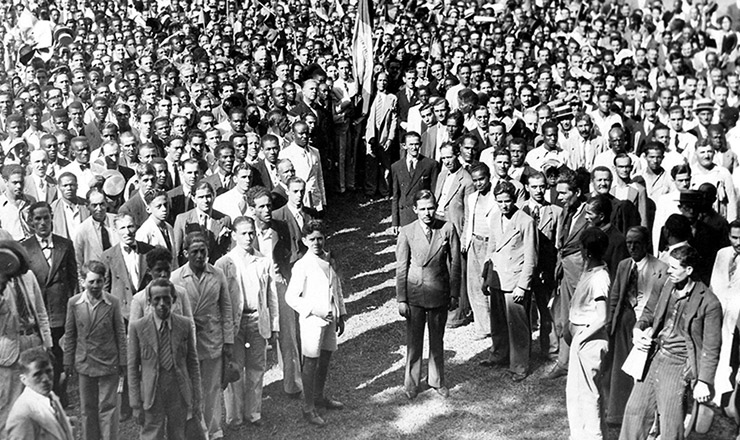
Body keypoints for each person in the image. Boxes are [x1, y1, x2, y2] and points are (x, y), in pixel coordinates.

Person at [620, 245, 721, 440]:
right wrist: (637, 329)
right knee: (634, 413)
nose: (668, 271)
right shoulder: (666, 284)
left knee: (670, 425)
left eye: (674, 268)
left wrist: (704, 381)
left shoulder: (709, 303)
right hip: (655, 356)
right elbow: (649, 312)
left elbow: (711, 346)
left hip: (679, 365)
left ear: (689, 270)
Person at [396, 190, 461, 399]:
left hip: (439, 293)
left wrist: (454, 293)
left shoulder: (447, 228)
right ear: (415, 210)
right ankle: (412, 383)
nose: (427, 213)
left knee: (437, 340)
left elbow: (456, 264)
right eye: (422, 209)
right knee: (414, 342)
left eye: (431, 207)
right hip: (415, 293)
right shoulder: (407, 232)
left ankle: (437, 380)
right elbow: (401, 268)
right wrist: (401, 298)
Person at [215, 216, 279, 427]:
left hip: (257, 319)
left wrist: (274, 325)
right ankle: (234, 416)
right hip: (234, 322)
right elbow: (220, 299)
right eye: (243, 233)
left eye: (251, 232)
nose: (248, 237)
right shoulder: (224, 263)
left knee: (256, 368)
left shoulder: (263, 260)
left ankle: (254, 414)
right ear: (234, 235)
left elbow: (271, 295)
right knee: (235, 369)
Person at [171, 231, 233, 440]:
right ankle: (195, 430)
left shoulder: (217, 274)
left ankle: (214, 430)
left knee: (212, 388)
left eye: (203, 251)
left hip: (213, 338)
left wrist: (228, 341)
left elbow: (226, 308)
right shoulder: (176, 277)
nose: (199, 256)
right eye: (194, 251)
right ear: (185, 252)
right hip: (188, 342)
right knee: (190, 389)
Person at [285, 219, 346, 426]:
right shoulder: (302, 265)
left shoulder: (329, 260)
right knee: (310, 361)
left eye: (320, 238)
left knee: (326, 357)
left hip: (330, 319)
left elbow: (335, 288)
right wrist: (315, 310)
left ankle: (319, 397)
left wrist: (341, 314)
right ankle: (308, 407)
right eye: (312, 239)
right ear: (304, 240)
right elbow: (291, 297)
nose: (317, 243)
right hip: (312, 320)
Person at [605, 226, 668, 425]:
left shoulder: (660, 267)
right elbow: (615, 295)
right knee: (620, 368)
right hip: (625, 321)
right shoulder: (625, 265)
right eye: (629, 243)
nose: (632, 247)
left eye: (636, 243)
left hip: (646, 323)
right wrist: (610, 323)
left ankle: (645, 415)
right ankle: (618, 413)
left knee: (643, 368)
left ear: (646, 244)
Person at [20, 202, 79, 407]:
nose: (43, 223)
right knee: (45, 353)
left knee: (60, 353)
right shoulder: (25, 248)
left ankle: (61, 395)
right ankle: (45, 396)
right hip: (39, 310)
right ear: (31, 222)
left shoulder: (64, 244)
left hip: (60, 308)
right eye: (37, 219)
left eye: (46, 217)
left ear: (52, 218)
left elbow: (73, 279)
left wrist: (74, 307)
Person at [128, 278, 202, 440]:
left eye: (166, 299)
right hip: (152, 392)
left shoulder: (184, 325)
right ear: (149, 302)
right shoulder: (138, 327)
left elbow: (193, 363)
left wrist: (196, 396)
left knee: (178, 433)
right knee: (152, 434)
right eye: (157, 299)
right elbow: (132, 367)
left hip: (178, 390)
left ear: (174, 300)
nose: (162, 303)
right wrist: (135, 404)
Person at [63, 260, 127, 440]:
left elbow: (120, 333)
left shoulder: (112, 302)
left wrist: (123, 360)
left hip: (108, 362)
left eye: (99, 281)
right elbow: (70, 334)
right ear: (83, 281)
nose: (96, 286)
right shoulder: (74, 303)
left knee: (108, 407)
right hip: (85, 363)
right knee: (87, 408)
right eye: (91, 281)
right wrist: (68, 360)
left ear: (104, 281)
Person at [480, 180, 537, 382]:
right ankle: (499, 355)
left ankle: (519, 365)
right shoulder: (495, 218)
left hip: (515, 280)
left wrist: (523, 285)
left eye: (507, 201)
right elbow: (492, 249)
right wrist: (487, 277)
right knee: (498, 321)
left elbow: (531, 257)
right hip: (498, 278)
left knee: (517, 326)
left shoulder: (525, 221)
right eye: (500, 201)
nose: (504, 205)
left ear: (514, 200)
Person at [0, 241, 53, 431]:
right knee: (10, 406)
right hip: (10, 349)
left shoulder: (28, 276)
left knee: (39, 401)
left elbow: (40, 311)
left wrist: (47, 343)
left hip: (33, 340)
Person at [566, 226, 610, 440]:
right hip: (582, 337)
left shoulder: (600, 277)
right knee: (576, 393)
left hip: (589, 340)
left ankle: (593, 435)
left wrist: (581, 338)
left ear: (587, 251)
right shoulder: (589, 270)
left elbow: (602, 316)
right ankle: (580, 435)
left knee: (588, 394)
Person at [523, 172, 562, 359]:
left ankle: (551, 350)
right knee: (521, 313)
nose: (538, 190)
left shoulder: (556, 211)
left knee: (546, 310)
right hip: (523, 269)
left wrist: (553, 270)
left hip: (545, 269)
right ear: (527, 188)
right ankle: (523, 352)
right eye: (534, 187)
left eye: (542, 186)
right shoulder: (519, 210)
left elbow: (558, 244)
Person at [4, 347, 74, 440]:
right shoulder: (23, 415)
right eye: (37, 374)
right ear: (24, 379)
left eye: (48, 371)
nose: (45, 379)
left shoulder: (50, 396)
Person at [710, 220, 740, 407]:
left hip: (738, 317)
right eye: (734, 237)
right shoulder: (722, 254)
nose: (738, 242)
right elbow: (714, 284)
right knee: (718, 350)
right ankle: (716, 395)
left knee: (734, 356)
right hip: (720, 312)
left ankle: (732, 399)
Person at [172, 181, 232, 264]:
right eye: (201, 197)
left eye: (208, 196)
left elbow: (228, 249)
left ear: (213, 196)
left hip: (215, 269)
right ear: (194, 199)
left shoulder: (224, 219)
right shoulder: (182, 219)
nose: (205, 200)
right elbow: (176, 252)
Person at [128, 246, 192, 321]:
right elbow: (133, 330)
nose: (163, 274)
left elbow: (189, 324)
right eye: (159, 270)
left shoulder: (181, 293)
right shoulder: (139, 299)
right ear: (149, 271)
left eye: (167, 270)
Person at [391, 131, 438, 232]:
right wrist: (395, 222)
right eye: (411, 144)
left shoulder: (430, 164)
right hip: (405, 215)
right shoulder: (396, 166)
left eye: (417, 144)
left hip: (423, 214)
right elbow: (396, 195)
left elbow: (434, 192)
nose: (414, 147)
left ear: (420, 144)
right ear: (404, 146)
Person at [135, 190, 176, 265]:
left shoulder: (169, 228)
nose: (164, 209)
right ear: (148, 209)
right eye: (159, 206)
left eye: (165, 205)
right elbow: (140, 263)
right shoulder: (144, 232)